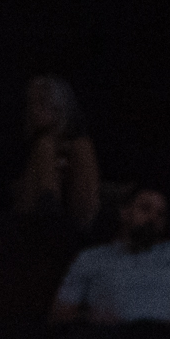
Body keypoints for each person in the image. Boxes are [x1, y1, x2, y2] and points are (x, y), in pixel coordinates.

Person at [50, 187, 170, 326]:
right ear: (124, 212)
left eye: (160, 214)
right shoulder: (91, 258)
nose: (153, 218)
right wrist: (92, 319)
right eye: (145, 209)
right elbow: (61, 314)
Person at [12, 74, 100, 232]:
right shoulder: (30, 148)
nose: (33, 109)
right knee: (44, 145)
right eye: (31, 103)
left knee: (79, 146)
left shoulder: (80, 147)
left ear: (58, 106)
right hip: (32, 224)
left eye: (41, 102)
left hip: (75, 224)